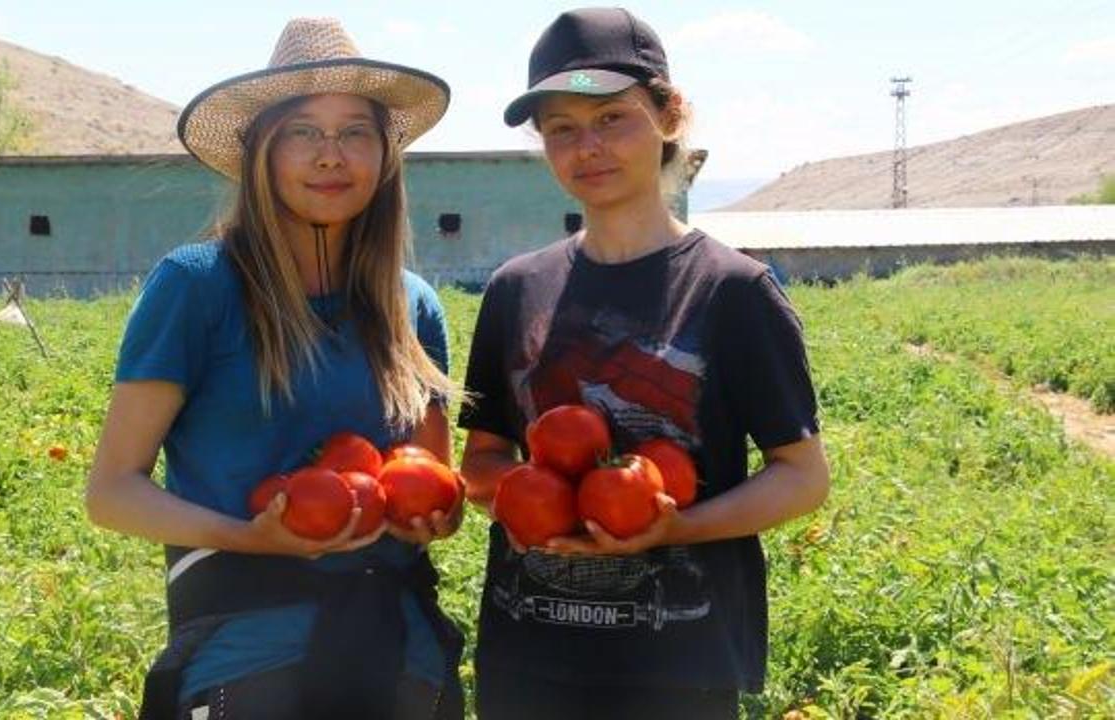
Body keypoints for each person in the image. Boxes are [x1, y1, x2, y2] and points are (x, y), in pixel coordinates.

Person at [85, 18, 465, 720]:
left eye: (355, 130)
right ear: (260, 150)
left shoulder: (414, 306)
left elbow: (428, 489)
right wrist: (248, 537)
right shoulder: (196, 286)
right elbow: (111, 492)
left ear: (386, 154)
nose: (331, 155)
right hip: (248, 660)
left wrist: (433, 517)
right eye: (302, 131)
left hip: (400, 657)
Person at [458, 8, 831, 719]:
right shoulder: (514, 290)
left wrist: (674, 527)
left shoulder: (733, 291)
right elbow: (482, 460)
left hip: (678, 666)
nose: (587, 147)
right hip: (528, 658)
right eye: (561, 128)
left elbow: (801, 478)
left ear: (668, 115)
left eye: (611, 118)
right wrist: (548, 503)